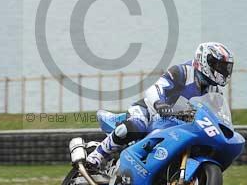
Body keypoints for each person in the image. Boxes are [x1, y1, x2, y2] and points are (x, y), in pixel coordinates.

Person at [86, 42, 234, 170]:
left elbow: (217, 116)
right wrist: (160, 104)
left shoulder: (215, 92)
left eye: (225, 67)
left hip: (179, 124)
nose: (223, 71)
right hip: (151, 112)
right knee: (134, 126)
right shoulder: (182, 72)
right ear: (205, 60)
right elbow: (155, 88)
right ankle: (97, 155)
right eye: (219, 66)